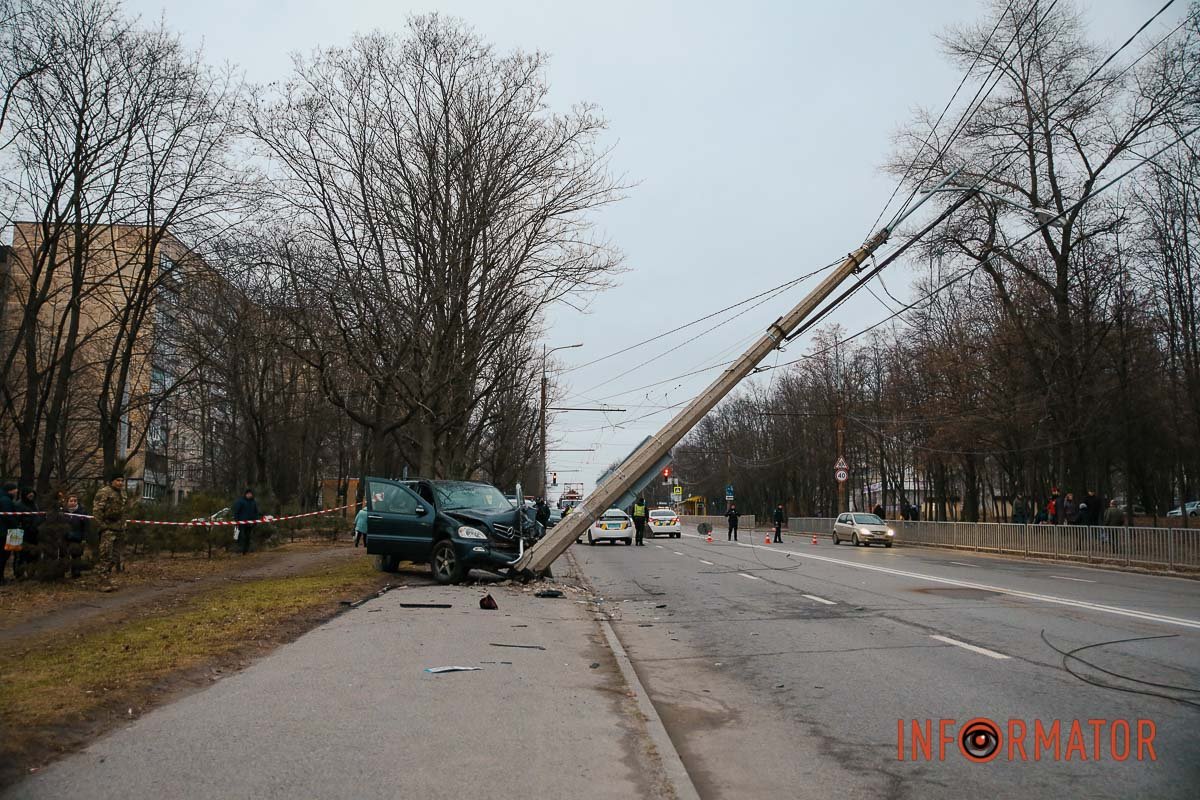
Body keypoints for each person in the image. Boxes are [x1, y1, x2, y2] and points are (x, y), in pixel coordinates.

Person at [93, 469, 129, 578]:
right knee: (106, 556)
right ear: (112, 481)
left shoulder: (123, 493)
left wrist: (124, 525)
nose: (120, 483)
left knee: (115, 556)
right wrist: (103, 526)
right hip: (108, 528)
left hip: (119, 529)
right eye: (118, 480)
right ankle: (103, 579)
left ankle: (106, 575)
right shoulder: (104, 492)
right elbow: (97, 510)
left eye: (122, 480)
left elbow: (124, 510)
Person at [13, 488, 41, 579]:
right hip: (17, 532)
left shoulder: (34, 505)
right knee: (18, 555)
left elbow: (37, 516)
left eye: (32, 494)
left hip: (32, 533)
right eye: (29, 494)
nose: (31, 496)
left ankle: (31, 573)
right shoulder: (17, 505)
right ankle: (19, 574)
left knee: (32, 554)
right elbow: (14, 520)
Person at [63, 494, 88, 578]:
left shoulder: (82, 512)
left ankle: (76, 573)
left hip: (77, 537)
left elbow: (86, 526)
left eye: (75, 501)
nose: (73, 502)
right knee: (64, 554)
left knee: (76, 555)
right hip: (65, 537)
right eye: (71, 500)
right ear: (67, 502)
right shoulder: (63, 512)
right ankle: (62, 572)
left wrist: (84, 538)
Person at [1, 482, 19, 584]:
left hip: (6, 531)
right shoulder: (6, 500)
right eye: (15, 489)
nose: (16, 491)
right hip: (7, 532)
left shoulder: (4, 498)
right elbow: (9, 517)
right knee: (4, 555)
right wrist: (16, 526)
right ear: (10, 490)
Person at [233, 488, 261, 555]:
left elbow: (256, 512)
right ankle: (240, 550)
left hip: (250, 523)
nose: (249, 495)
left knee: (248, 536)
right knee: (241, 536)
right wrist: (237, 521)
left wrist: (255, 521)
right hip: (241, 523)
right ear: (246, 494)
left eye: (250, 494)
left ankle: (246, 550)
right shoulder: (240, 501)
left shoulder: (253, 502)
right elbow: (236, 511)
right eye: (248, 494)